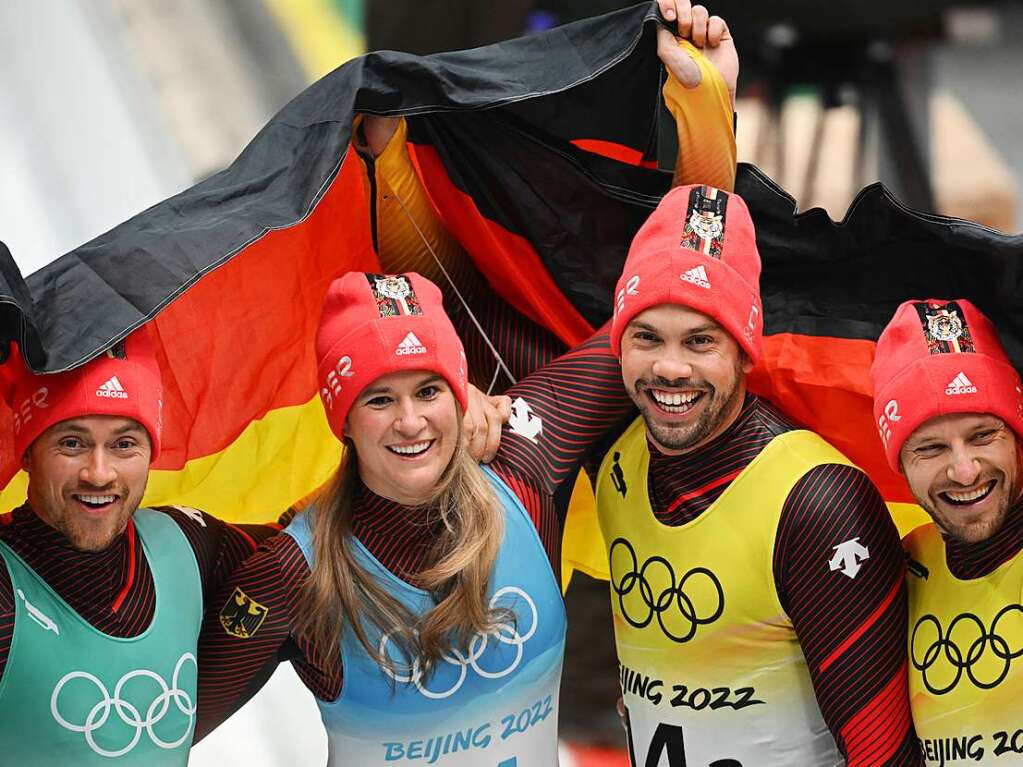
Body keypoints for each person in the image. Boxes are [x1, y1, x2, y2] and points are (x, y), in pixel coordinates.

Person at [593, 181, 922, 765]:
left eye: (700, 342)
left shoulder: (819, 504)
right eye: (646, 337)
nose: (670, 368)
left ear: (744, 351)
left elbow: (886, 755)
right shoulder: (619, 456)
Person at [0, 328, 278, 764]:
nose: (99, 473)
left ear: (151, 452)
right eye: (71, 443)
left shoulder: (186, 541)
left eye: (124, 444)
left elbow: (317, 548)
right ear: (29, 452)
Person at [870, 298, 1023, 764]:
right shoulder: (902, 565)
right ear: (900, 465)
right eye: (931, 448)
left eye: (982, 435)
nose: (964, 470)